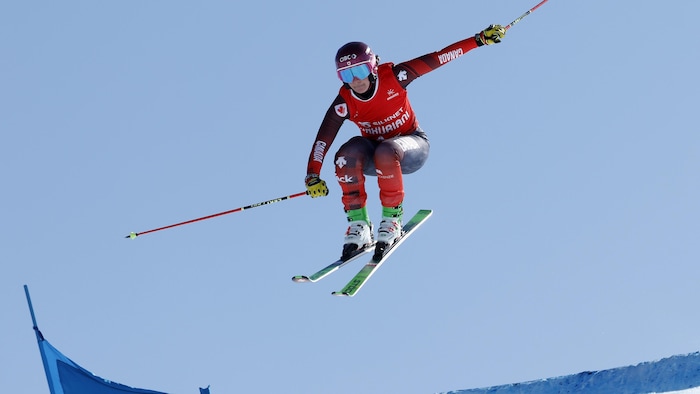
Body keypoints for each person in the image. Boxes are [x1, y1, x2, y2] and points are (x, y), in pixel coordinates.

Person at [305, 24, 506, 259]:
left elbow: (439, 57)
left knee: (386, 150)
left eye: (360, 71)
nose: (356, 80)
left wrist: (479, 40)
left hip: (412, 146)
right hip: (376, 154)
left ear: (373, 67)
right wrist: (312, 175)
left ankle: (392, 220)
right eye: (347, 75)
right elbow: (322, 141)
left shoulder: (396, 76)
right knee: (344, 156)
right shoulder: (345, 101)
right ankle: (359, 226)